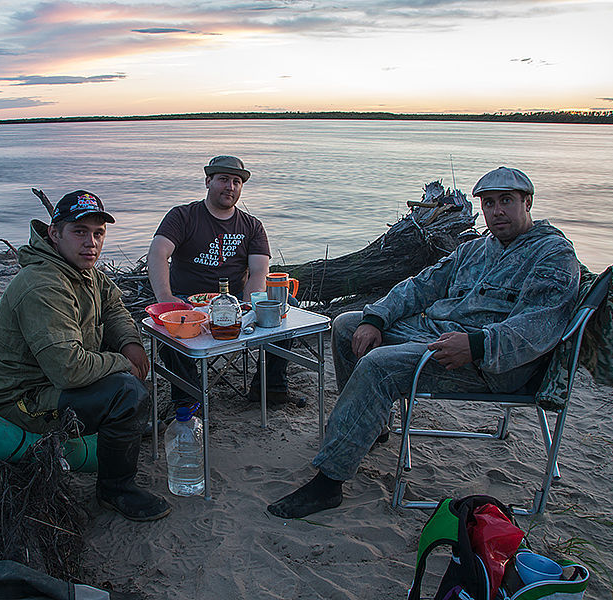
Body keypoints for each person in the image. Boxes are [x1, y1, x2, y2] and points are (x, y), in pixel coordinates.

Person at [267, 166, 580, 519]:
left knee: (379, 367)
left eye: (506, 201)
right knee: (346, 326)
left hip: (488, 362)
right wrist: (376, 317)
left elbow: (536, 326)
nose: (497, 211)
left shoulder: (552, 255)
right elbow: (421, 285)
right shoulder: (477, 249)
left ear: (528, 202)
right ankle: (371, 428)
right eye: (489, 203)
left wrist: (477, 345)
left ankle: (328, 485)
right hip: (437, 334)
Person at [0, 190, 171, 522]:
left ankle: (116, 433)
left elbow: (113, 308)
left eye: (98, 233)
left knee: (126, 377)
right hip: (20, 400)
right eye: (79, 232)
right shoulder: (43, 284)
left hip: (49, 380)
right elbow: (69, 370)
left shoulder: (84, 270)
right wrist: (126, 363)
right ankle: (115, 490)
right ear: (55, 234)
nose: (91, 243)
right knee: (127, 393)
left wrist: (130, 344)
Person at [147, 155, 293, 405]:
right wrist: (166, 299)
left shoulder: (252, 225)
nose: (230, 187)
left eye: (236, 181)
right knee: (167, 329)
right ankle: (188, 401)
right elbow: (158, 253)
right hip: (188, 301)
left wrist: (248, 305)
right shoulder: (183, 216)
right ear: (208, 182)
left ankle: (270, 390)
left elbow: (259, 271)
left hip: (235, 300)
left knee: (283, 303)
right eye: (223, 179)